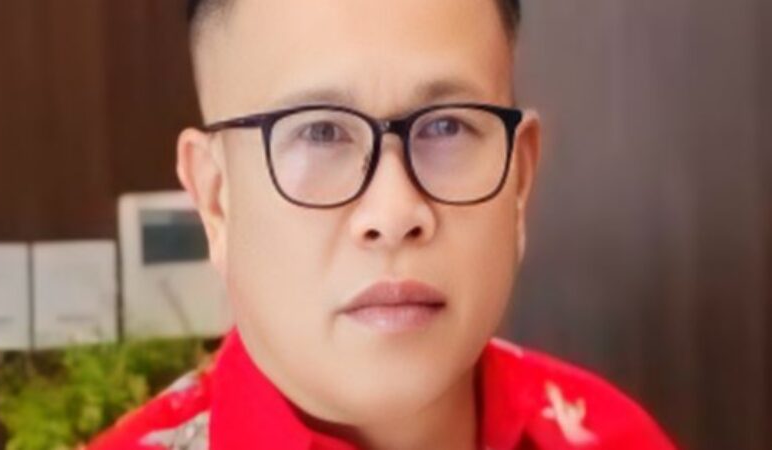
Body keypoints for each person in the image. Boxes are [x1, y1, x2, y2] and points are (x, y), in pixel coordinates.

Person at [89, 0, 676, 448]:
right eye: (321, 132)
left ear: (518, 180)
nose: (394, 215)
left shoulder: (611, 435)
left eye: (446, 126)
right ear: (216, 199)